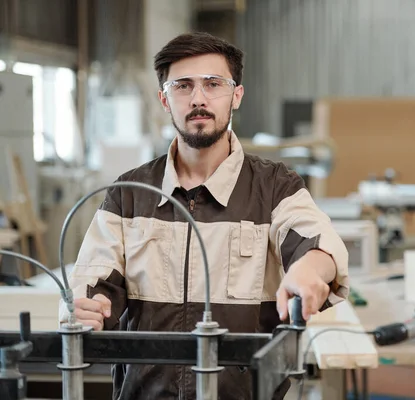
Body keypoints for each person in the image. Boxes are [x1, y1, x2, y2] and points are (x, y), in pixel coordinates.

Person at [58, 32, 349, 400]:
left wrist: (309, 272)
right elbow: (91, 286)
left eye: (213, 84)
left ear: (236, 96)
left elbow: (318, 244)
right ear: (165, 99)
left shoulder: (276, 187)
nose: (198, 98)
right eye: (183, 86)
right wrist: (89, 310)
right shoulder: (130, 193)